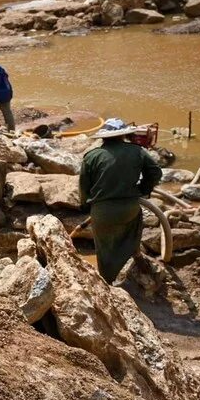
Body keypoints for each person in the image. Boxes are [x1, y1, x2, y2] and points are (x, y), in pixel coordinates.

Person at [78, 118, 163, 283]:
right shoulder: (137, 151)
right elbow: (155, 173)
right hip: (129, 208)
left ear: (103, 137)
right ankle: (138, 259)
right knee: (132, 232)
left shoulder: (92, 156)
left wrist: (84, 205)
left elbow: (83, 186)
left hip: (102, 212)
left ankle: (107, 281)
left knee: (104, 248)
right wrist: (143, 190)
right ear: (124, 135)